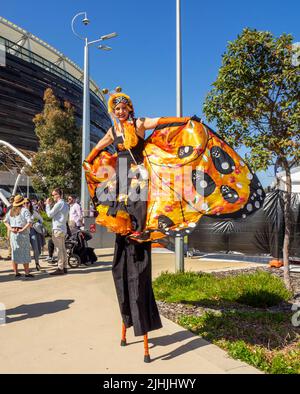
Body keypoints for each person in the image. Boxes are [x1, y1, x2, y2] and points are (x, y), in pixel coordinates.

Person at [84, 92, 162, 362]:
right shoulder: (112, 130)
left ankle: (142, 327)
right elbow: (96, 149)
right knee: (120, 263)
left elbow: (162, 122)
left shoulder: (139, 124)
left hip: (139, 182)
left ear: (130, 108)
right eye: (116, 108)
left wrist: (186, 120)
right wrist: (88, 159)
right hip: (121, 185)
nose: (120, 111)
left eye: (124, 107)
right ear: (113, 111)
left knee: (138, 255)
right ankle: (127, 319)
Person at [3, 195, 34, 278]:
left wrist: (10, 229)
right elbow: (30, 222)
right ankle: (27, 273)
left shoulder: (11, 211)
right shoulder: (25, 210)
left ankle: (16, 272)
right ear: (22, 202)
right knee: (25, 252)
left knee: (14, 252)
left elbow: (5, 221)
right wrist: (23, 229)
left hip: (13, 233)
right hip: (22, 233)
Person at [45, 188, 69, 275]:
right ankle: (65, 266)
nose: (52, 196)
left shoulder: (59, 204)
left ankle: (60, 268)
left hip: (57, 229)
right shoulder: (65, 204)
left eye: (54, 194)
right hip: (63, 228)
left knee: (59, 249)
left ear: (58, 195)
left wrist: (47, 205)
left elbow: (49, 215)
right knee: (63, 249)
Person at [27, 200, 45, 271]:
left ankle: (37, 263)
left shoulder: (33, 212)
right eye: (24, 203)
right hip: (23, 232)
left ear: (30, 204)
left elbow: (41, 219)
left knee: (36, 249)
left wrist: (36, 223)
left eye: (27, 203)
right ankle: (26, 267)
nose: (25, 204)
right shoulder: (20, 212)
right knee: (25, 250)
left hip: (32, 231)